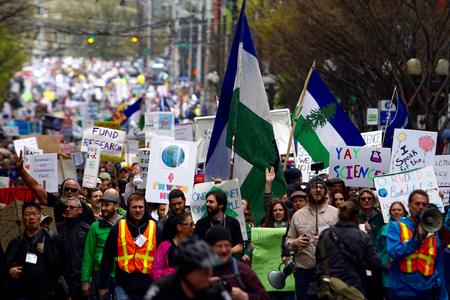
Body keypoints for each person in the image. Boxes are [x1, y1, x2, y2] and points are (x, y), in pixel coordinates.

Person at [387, 190, 448, 300]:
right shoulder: (395, 227)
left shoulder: (433, 230)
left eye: (424, 205)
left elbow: (438, 264)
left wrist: (443, 295)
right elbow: (394, 253)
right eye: (417, 204)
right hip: (403, 292)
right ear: (409, 206)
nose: (420, 207)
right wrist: (416, 239)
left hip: (427, 291)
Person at [313, 200, 381, 298]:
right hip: (355, 288)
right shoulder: (362, 237)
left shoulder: (325, 235)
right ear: (356, 216)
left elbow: (319, 262)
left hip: (330, 289)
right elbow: (375, 265)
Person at [286, 176, 338, 300]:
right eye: (314, 187)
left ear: (326, 192)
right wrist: (296, 242)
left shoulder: (336, 213)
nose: (318, 190)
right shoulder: (297, 216)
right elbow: (287, 243)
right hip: (304, 272)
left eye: (321, 187)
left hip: (329, 271)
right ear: (308, 191)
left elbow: (345, 241)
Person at [99, 193, 157, 300]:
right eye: (134, 207)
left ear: (145, 208)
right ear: (128, 208)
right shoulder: (118, 227)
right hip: (123, 284)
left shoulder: (155, 227)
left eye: (141, 207)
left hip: (148, 285)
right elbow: (107, 257)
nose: (138, 210)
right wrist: (102, 284)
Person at [2, 202, 63, 299]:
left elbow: (61, 265)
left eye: (35, 213)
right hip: (22, 292)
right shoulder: (16, 242)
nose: (31, 217)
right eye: (27, 214)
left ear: (40, 216)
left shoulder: (51, 240)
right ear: (22, 218)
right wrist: (9, 270)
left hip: (47, 292)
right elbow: (4, 265)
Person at [16, 152, 94, 224]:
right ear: (62, 190)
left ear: (78, 192)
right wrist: (21, 170)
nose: (70, 192)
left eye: (73, 190)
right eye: (67, 189)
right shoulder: (54, 202)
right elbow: (36, 187)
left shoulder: (86, 210)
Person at [144, 238, 231, 300]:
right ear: (186, 271)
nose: (209, 273)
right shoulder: (161, 288)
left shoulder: (216, 290)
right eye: (203, 271)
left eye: (210, 269)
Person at [206, 226, 270, 300]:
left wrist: (246, 297)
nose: (224, 250)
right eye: (219, 246)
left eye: (227, 245)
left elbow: (264, 297)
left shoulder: (242, 270)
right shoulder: (201, 272)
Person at [81, 194, 122, 300]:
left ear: (116, 206)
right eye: (101, 205)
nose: (103, 208)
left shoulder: (125, 225)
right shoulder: (95, 226)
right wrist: (85, 280)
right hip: (100, 273)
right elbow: (88, 254)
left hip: (121, 273)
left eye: (107, 205)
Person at [57, 196, 91, 299]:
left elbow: (89, 255)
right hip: (62, 278)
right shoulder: (57, 228)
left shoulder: (87, 229)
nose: (68, 209)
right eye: (66, 207)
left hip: (80, 278)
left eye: (72, 207)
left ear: (80, 210)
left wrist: (86, 279)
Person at [374, 201, 408, 300]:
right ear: (390, 212)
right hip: (388, 274)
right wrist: (382, 260)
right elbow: (376, 247)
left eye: (399, 210)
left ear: (404, 212)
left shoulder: (410, 228)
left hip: (406, 273)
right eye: (393, 210)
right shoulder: (384, 229)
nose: (396, 212)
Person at [195, 189, 244, 255]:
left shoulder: (233, 222)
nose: (207, 204)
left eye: (211, 202)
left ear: (221, 205)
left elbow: (239, 247)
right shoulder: (200, 223)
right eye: (206, 201)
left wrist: (223, 252)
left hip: (227, 263)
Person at [150, 213, 195, 281]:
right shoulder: (164, 246)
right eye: (190, 224)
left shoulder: (195, 245)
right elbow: (154, 272)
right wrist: (174, 272)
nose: (194, 227)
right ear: (179, 227)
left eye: (194, 224)